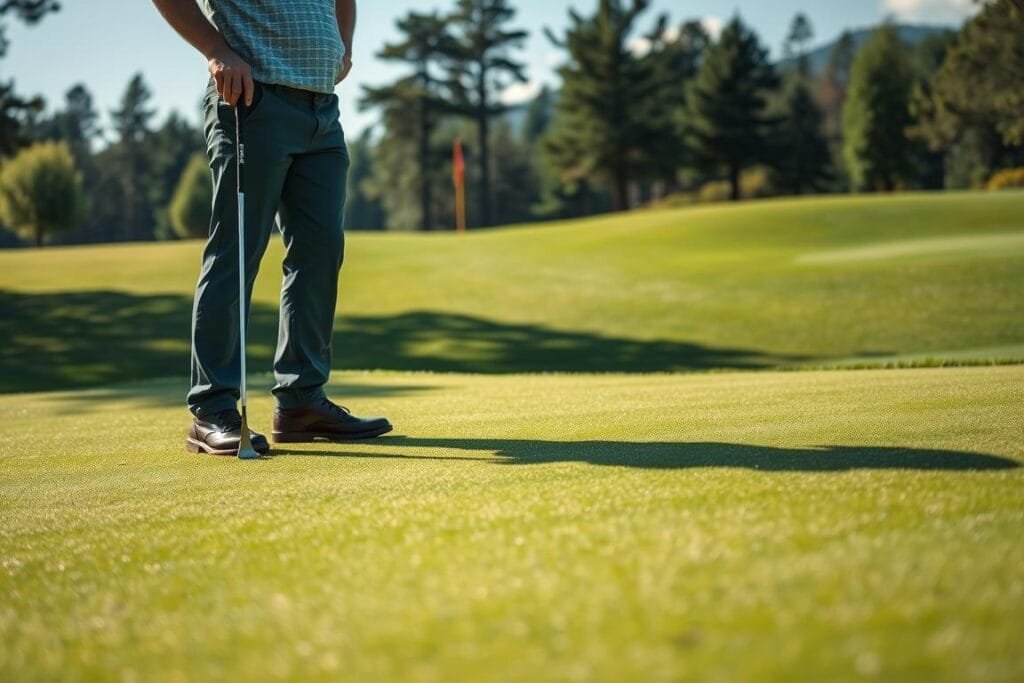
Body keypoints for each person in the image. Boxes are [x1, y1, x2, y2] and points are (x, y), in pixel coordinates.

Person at [152, 0, 392, 455]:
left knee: (319, 254)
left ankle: (302, 401)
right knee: (236, 254)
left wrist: (344, 45)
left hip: (322, 110)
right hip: (251, 100)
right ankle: (211, 409)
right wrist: (216, 51)